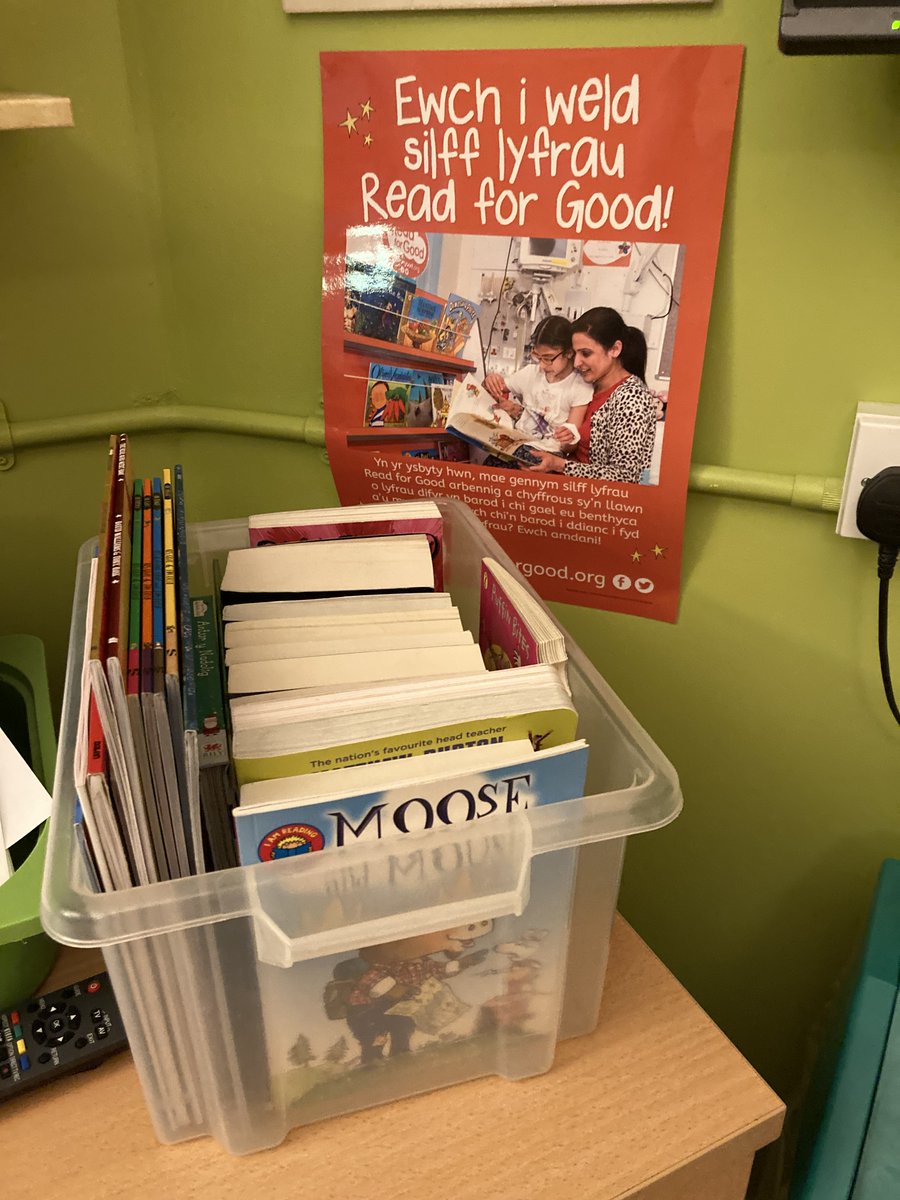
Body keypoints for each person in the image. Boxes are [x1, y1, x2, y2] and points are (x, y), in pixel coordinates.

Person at [524, 306, 658, 483]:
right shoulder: (588, 386)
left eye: (586, 353)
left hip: (595, 501)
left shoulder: (632, 399)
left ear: (615, 350)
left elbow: (626, 477)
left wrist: (560, 466)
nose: (577, 362)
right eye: (575, 353)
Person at [482, 315, 592, 454]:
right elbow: (493, 388)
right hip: (516, 445)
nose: (541, 365)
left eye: (548, 358)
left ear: (569, 352)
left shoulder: (579, 386)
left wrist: (569, 438)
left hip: (547, 454)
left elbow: (571, 444)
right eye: (538, 357)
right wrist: (490, 381)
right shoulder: (530, 373)